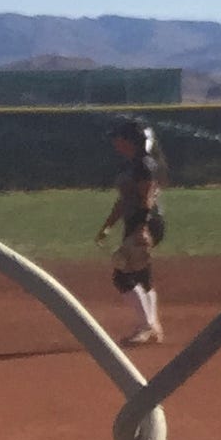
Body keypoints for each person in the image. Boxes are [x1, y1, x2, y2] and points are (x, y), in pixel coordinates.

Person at [94, 119, 165, 347]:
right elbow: (123, 201)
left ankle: (146, 327)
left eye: (119, 138)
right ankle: (152, 327)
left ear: (129, 140)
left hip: (145, 223)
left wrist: (141, 229)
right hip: (138, 222)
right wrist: (107, 226)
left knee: (122, 277)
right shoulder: (133, 164)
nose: (116, 143)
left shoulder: (144, 164)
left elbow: (146, 199)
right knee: (142, 276)